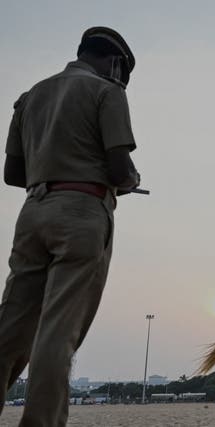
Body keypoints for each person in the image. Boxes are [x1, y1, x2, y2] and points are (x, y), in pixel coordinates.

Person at [0, 27, 140, 426]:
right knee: (58, 332)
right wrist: (129, 180)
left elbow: (12, 173)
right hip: (81, 213)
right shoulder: (107, 91)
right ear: (115, 63)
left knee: (10, 326)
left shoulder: (31, 96)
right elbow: (119, 168)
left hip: (32, 213)